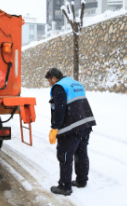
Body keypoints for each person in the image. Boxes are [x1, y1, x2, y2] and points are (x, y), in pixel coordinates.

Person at [46, 68, 96, 196]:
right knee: (81, 153)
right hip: (86, 124)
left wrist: (55, 127)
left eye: (49, 80)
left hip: (72, 128)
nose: (49, 83)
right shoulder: (75, 83)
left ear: (53, 78)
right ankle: (81, 181)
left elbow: (59, 109)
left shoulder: (59, 87)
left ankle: (65, 186)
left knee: (65, 156)